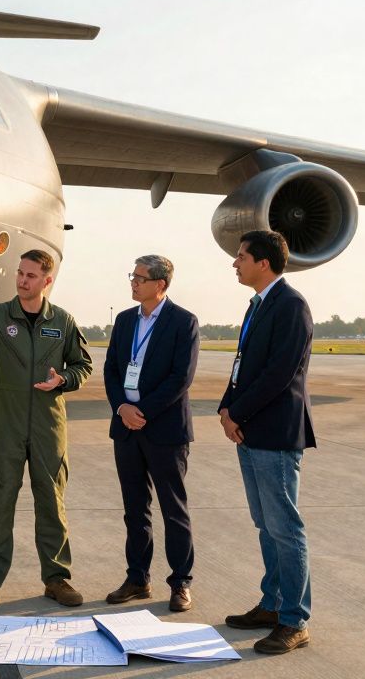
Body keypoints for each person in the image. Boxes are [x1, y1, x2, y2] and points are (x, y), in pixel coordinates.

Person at [0, 249, 93, 610]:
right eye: (20, 273)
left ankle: (57, 578)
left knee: (52, 502)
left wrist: (64, 379)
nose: (22, 280)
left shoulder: (63, 320)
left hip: (48, 424)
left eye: (30, 276)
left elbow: (83, 365)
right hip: (5, 424)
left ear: (47, 281)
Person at [218, 229, 315, 655]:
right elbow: (242, 364)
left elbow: (280, 374)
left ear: (263, 262)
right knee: (265, 524)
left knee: (285, 528)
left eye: (241, 256)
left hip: (274, 432)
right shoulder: (258, 305)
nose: (235, 263)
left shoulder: (291, 306)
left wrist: (238, 412)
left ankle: (295, 620)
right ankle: (273, 604)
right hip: (251, 429)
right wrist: (226, 407)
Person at [103, 255, 199, 612]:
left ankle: (180, 583)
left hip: (164, 430)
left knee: (173, 510)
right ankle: (137, 578)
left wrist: (142, 411)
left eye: (140, 278)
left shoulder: (183, 322)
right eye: (133, 276)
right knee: (134, 509)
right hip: (126, 429)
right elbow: (112, 369)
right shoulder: (125, 320)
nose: (133, 283)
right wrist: (122, 408)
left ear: (160, 284)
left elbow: (180, 377)